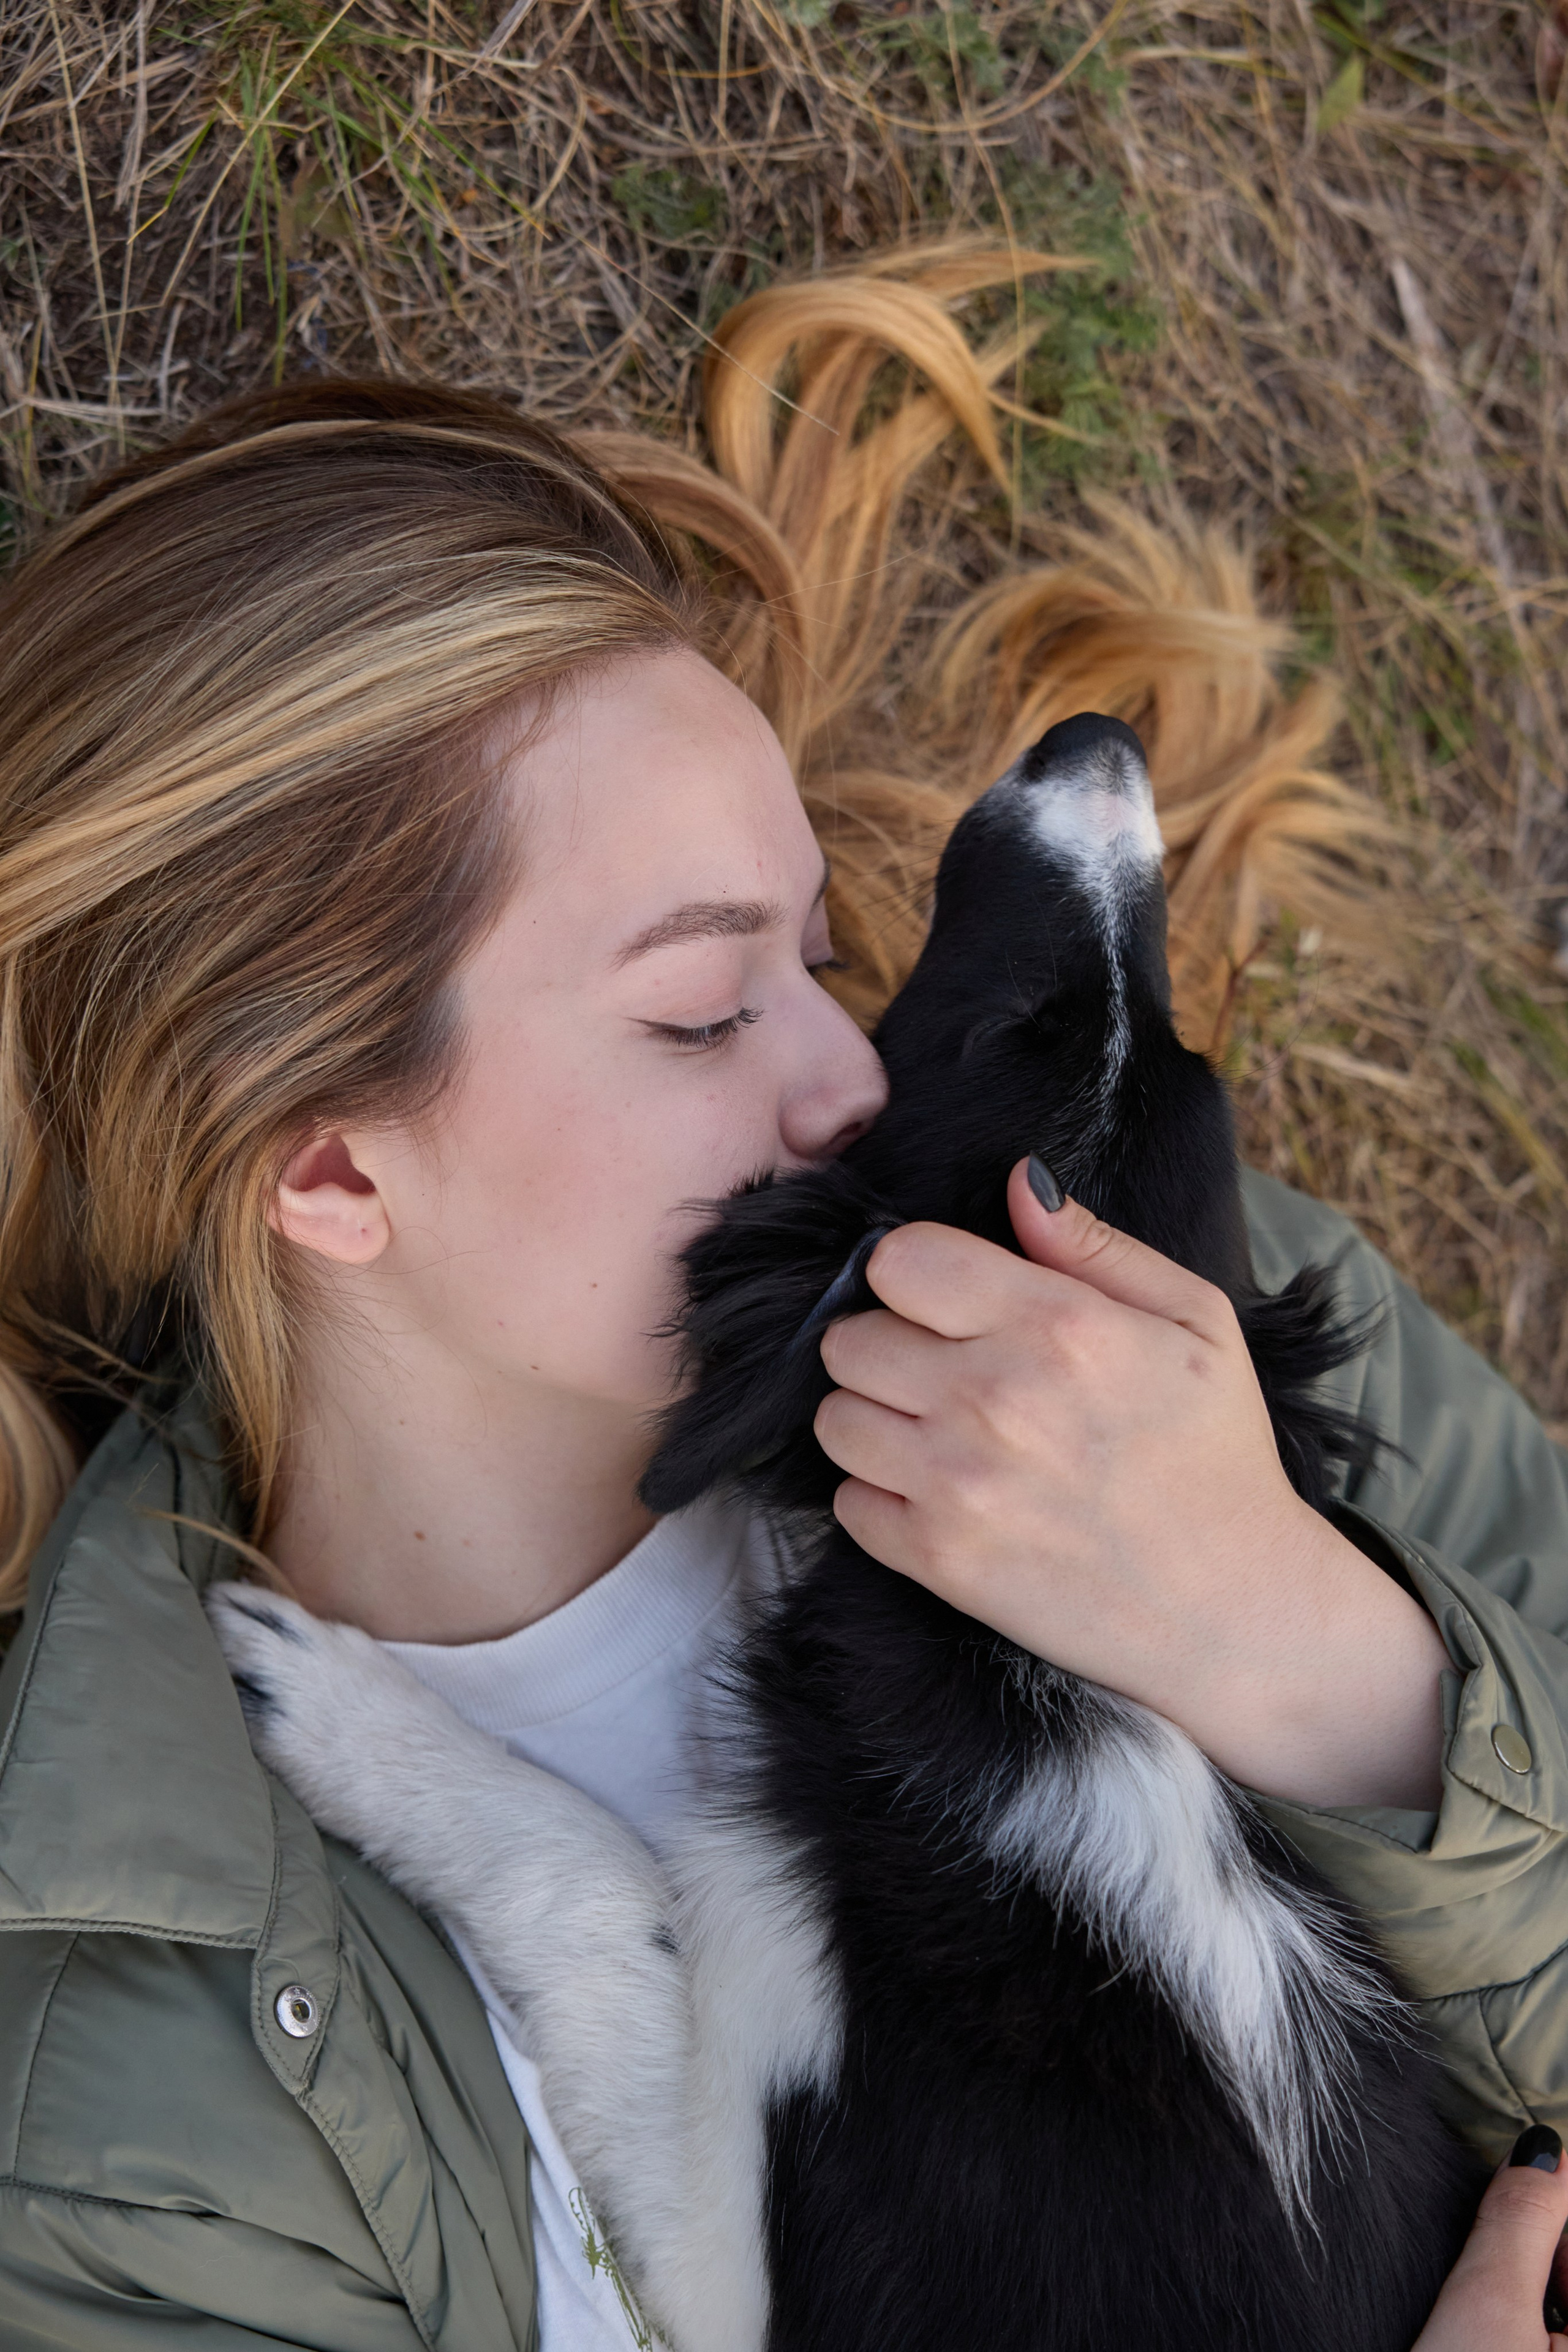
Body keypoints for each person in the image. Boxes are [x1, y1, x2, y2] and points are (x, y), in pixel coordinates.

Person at [0, 248, 1565, 2350]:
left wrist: (1318, 1653)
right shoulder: (129, 2125)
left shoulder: (1152, 1319)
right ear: (332, 1168)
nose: (843, 1077)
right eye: (701, 1010)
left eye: (820, 956)